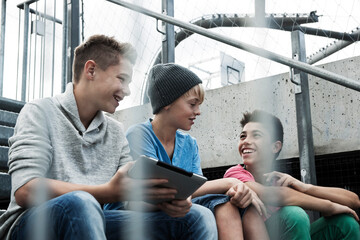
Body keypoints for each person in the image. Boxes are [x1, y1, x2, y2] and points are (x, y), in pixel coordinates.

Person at [0, 35, 218, 240]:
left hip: (94, 219)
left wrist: (166, 201)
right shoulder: (40, 111)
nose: (128, 91)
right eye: (122, 79)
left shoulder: (115, 131)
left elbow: (132, 193)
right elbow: (26, 189)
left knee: (197, 216)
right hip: (30, 224)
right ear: (91, 70)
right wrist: (105, 192)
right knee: (82, 203)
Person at [105, 63, 269, 240]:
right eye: (192, 104)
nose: (198, 112)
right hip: (136, 211)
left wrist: (232, 188)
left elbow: (196, 190)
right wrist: (229, 182)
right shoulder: (139, 135)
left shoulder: (189, 144)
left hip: (175, 206)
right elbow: (155, 192)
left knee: (230, 204)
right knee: (209, 208)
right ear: (168, 103)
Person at [224, 109, 360, 240]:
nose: (246, 141)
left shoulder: (280, 179)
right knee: (294, 215)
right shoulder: (235, 173)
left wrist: (304, 187)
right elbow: (269, 194)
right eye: (243, 136)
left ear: (275, 147)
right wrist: (329, 207)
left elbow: (354, 201)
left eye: (256, 135)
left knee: (345, 224)